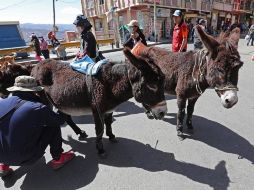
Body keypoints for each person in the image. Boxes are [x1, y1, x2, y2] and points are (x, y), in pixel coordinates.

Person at [0, 76, 75, 177]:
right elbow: (60, 120)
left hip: (1, 156)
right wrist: (62, 108)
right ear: (33, 91)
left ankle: (3, 166)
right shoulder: (36, 107)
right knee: (53, 125)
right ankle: (58, 158)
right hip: (26, 158)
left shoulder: (2, 103)